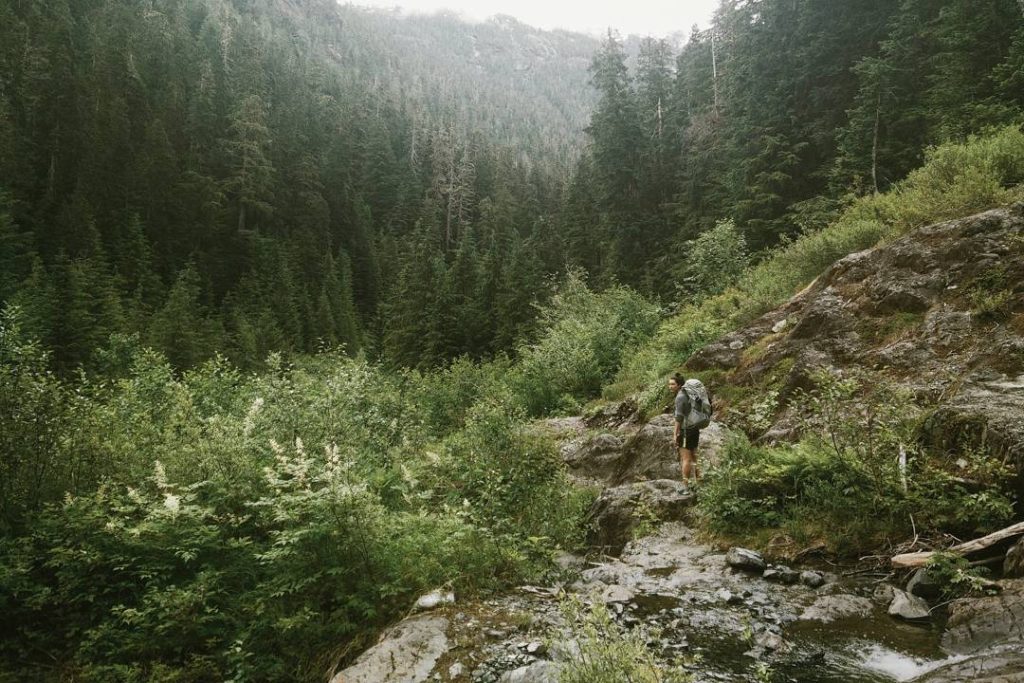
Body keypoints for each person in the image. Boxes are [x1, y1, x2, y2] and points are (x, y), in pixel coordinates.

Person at [668, 373, 699, 493]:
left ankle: (685, 487)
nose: (670, 387)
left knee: (686, 459)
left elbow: (679, 417)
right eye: (669, 384)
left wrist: (675, 434)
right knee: (695, 458)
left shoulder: (680, 397)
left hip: (686, 430)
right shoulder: (689, 394)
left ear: (679, 385)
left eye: (672, 384)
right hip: (694, 428)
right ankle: (699, 484)